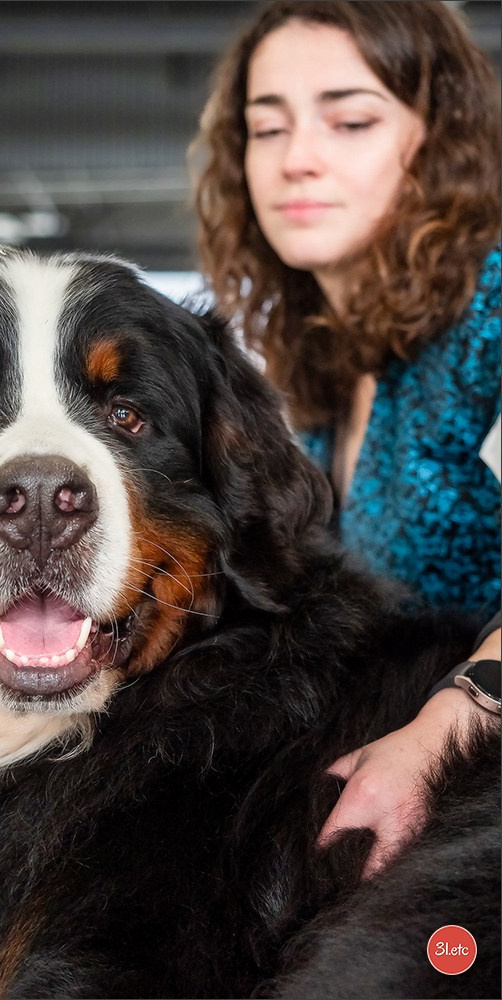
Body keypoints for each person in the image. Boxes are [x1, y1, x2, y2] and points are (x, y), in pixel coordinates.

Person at [192, 0, 500, 876]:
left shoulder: (497, 311)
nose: (297, 158)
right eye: (266, 127)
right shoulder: (321, 375)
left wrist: (455, 721)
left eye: (351, 119)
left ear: (437, 142)